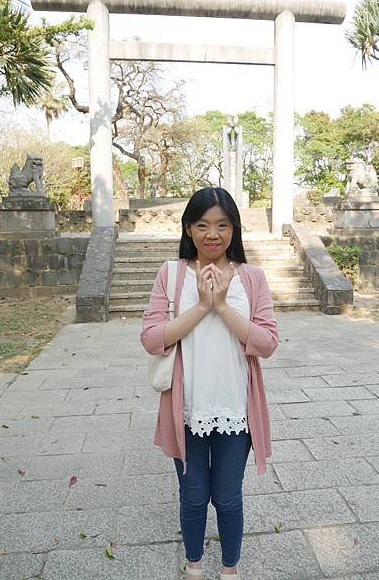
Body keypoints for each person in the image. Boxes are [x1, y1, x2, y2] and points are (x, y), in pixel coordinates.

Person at [140, 187, 278, 580]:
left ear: (234, 229)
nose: (212, 234)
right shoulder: (171, 274)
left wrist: (221, 305)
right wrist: (201, 305)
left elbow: (267, 343)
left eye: (222, 225)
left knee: (229, 498)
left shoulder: (252, 278)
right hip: (187, 408)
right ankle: (195, 565)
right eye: (202, 225)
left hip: (236, 409)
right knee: (194, 495)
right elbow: (151, 338)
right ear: (188, 228)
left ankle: (230, 569)